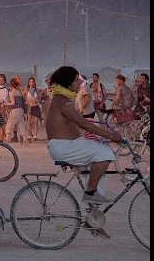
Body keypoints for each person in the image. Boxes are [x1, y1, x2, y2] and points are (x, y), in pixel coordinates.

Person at [45, 65, 123, 238]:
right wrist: (111, 135)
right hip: (64, 146)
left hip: (71, 144)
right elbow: (84, 123)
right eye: (75, 80)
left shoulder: (63, 98)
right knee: (105, 154)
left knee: (97, 174)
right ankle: (90, 193)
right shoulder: (62, 100)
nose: (79, 82)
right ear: (68, 82)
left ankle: (92, 218)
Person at [5, 76, 28, 146]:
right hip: (21, 110)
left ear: (11, 85)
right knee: (21, 124)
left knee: (9, 124)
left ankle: (7, 140)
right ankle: (25, 140)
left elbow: (13, 103)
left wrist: (5, 103)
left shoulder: (11, 92)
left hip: (14, 110)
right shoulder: (19, 92)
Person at [25, 77, 42, 144]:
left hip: (36, 106)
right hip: (30, 106)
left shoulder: (36, 90)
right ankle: (29, 136)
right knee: (29, 121)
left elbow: (40, 98)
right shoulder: (26, 90)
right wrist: (27, 101)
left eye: (32, 82)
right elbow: (22, 96)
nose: (31, 83)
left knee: (35, 121)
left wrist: (37, 100)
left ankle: (35, 136)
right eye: (30, 82)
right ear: (28, 83)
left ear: (34, 83)